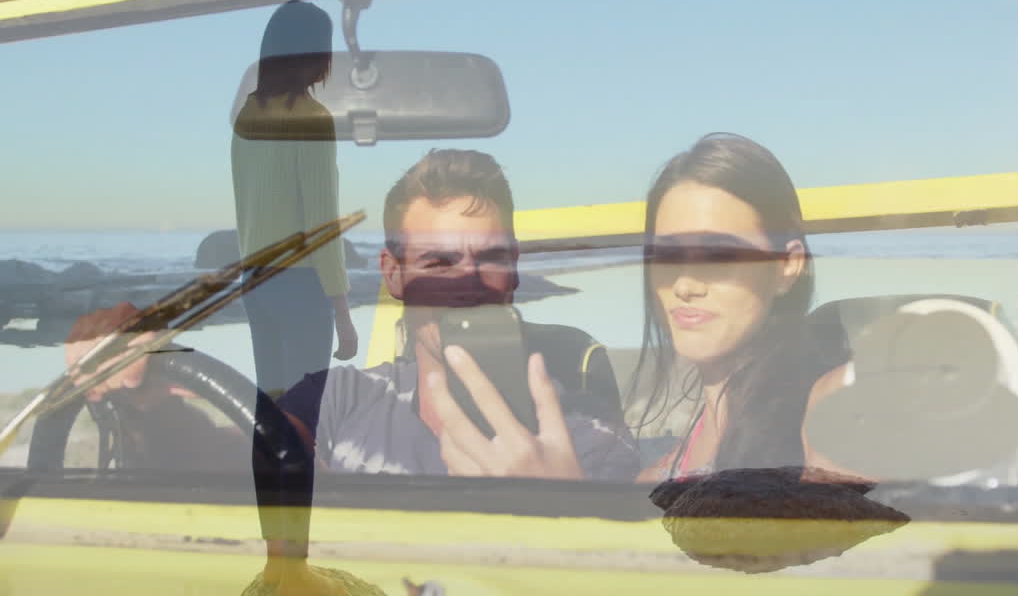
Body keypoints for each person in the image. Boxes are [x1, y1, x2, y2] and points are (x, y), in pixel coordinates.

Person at [67, 148, 639, 594]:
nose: (466, 285)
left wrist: (568, 511)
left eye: (489, 259)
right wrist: (149, 403)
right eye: (437, 262)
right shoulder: (336, 399)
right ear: (393, 276)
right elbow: (232, 473)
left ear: (514, 271)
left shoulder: (584, 438)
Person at [431, 133, 848, 481]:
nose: (685, 284)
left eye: (719, 254)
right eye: (667, 256)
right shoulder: (659, 472)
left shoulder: (836, 407)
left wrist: (562, 506)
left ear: (786, 266)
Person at [232, 0, 358, 399]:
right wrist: (342, 313)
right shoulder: (311, 117)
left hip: (255, 280)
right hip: (300, 283)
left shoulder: (247, 115)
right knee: (303, 415)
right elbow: (322, 222)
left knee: (270, 410)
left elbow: (245, 206)